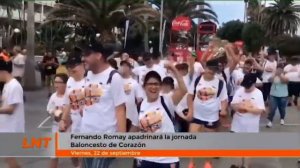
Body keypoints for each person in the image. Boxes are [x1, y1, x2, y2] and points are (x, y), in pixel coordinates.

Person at [65, 40, 126, 168]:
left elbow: (120, 109)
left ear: (98, 55)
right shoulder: (89, 74)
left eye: (87, 54)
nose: (83, 58)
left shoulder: (113, 77)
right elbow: (89, 98)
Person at [136, 62, 187, 168]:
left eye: (156, 84)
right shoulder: (141, 104)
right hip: (145, 158)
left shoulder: (166, 100)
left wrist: (174, 69)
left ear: (160, 86)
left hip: (166, 159)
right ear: (144, 86)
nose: (153, 87)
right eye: (150, 84)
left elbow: (183, 90)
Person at [230, 73, 265, 168]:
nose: (246, 88)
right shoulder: (239, 91)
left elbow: (260, 110)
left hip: (251, 126)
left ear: (254, 83)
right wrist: (237, 107)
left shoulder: (258, 94)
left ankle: (245, 166)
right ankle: (236, 165)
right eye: (245, 85)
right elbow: (233, 105)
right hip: (237, 124)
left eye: (248, 86)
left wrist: (247, 109)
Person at [0, 58, 24, 168]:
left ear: (3, 71)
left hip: (12, 128)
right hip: (5, 127)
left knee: (10, 158)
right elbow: (4, 103)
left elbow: (11, 109)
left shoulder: (15, 86)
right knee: (8, 158)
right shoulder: (7, 85)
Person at [47, 73, 69, 168]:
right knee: (54, 155)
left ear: (65, 84)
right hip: (56, 129)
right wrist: (55, 112)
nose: (56, 85)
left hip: (70, 129)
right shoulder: (53, 96)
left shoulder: (69, 97)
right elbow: (49, 109)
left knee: (74, 155)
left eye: (59, 82)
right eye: (55, 82)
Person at [119, 60, 143, 132]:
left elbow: (139, 99)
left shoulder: (134, 83)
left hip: (132, 116)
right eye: (122, 65)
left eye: (125, 66)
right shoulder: (116, 81)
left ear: (130, 69)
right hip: (119, 116)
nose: (123, 68)